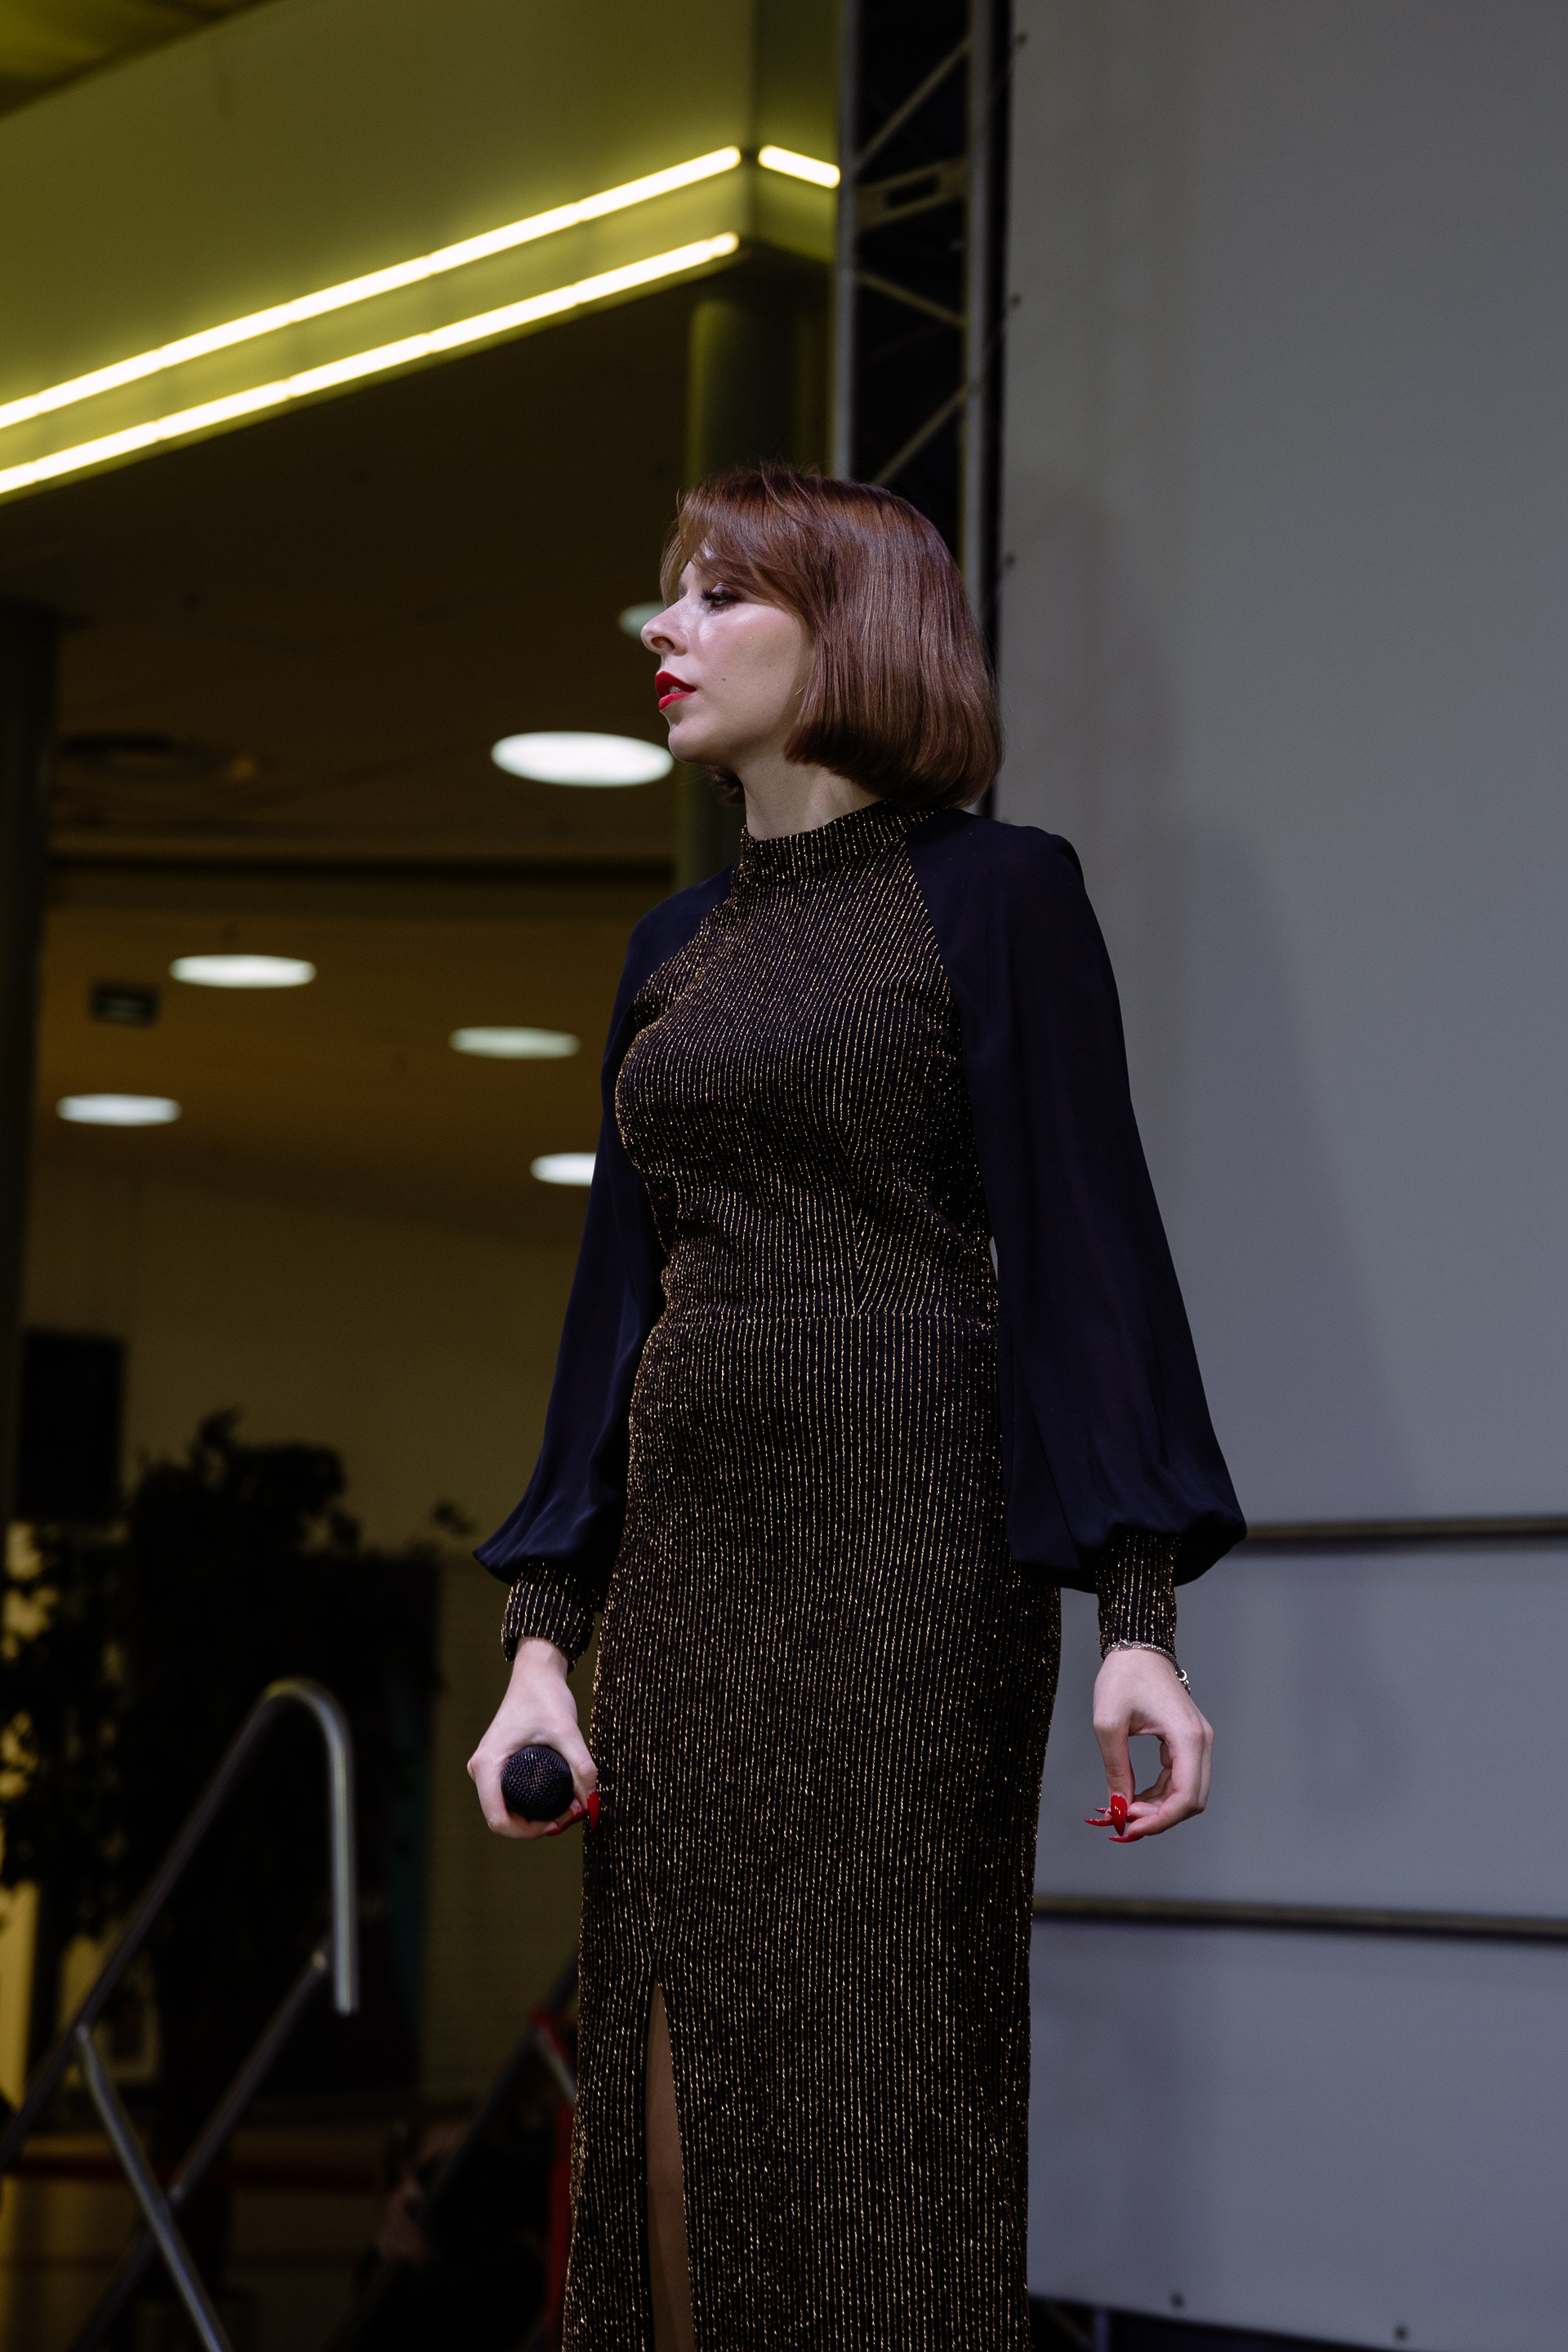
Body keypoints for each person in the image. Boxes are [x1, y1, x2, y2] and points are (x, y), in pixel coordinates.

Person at [467, 466, 1243, 2352]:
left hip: (910, 1583)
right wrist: (544, 1643)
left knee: (882, 2107)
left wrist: (1140, 1620)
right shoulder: (671, 948)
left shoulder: (1001, 896)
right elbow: (613, 1309)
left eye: (716, 593)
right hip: (687, 1598)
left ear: (855, 631)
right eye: (669, 594)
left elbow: (1086, 1250)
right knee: (666, 2095)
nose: (665, 631)